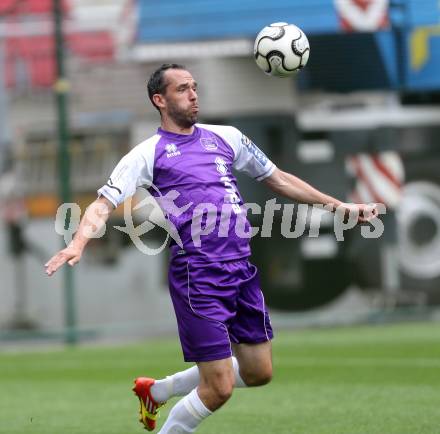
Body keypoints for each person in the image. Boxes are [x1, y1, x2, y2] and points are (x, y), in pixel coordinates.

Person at [45, 63, 378, 433]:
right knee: (218, 388)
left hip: (241, 269)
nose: (193, 94)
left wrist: (341, 207)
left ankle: (158, 391)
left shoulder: (227, 137)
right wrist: (77, 243)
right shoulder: (147, 154)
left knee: (259, 373)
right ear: (160, 99)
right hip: (198, 273)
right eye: (182, 89)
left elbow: (279, 179)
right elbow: (103, 204)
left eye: (194, 86)